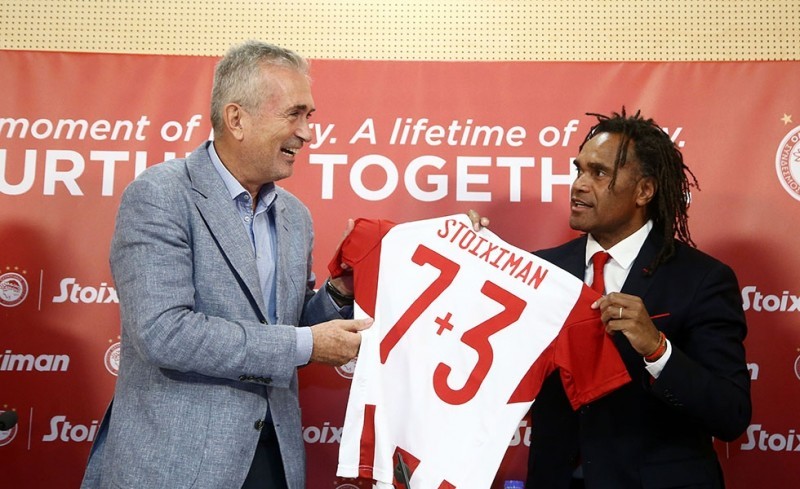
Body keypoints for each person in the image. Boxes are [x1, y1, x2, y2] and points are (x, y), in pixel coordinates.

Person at [80, 40, 373, 489]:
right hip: (176, 469)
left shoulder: (294, 215)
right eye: (294, 114)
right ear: (236, 119)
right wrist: (305, 344)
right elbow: (164, 332)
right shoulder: (161, 195)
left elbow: (290, 327)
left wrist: (340, 291)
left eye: (309, 116)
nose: (307, 133)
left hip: (274, 463)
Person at [525, 109, 751, 488]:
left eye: (599, 173)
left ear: (644, 191)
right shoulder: (540, 271)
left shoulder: (702, 280)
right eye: (579, 170)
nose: (579, 185)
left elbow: (731, 414)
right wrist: (471, 259)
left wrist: (658, 350)